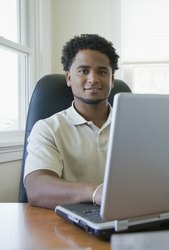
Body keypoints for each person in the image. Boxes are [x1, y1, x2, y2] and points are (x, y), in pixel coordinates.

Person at [24, 34, 120, 209]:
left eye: (102, 71)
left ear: (112, 80)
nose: (93, 79)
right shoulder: (47, 128)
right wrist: (96, 192)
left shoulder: (134, 127)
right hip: (66, 224)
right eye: (83, 71)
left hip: (127, 215)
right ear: (68, 78)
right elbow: (37, 189)